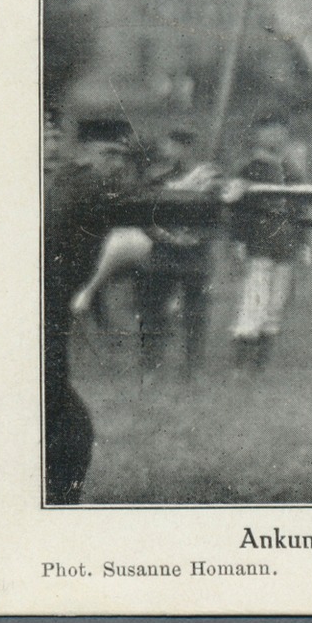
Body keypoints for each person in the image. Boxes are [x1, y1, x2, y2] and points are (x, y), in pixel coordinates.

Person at [46, 117, 138, 503]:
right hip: (37, 311)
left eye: (123, 156)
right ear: (84, 154)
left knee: (65, 416)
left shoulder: (81, 181)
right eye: (108, 154)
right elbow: (130, 203)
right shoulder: (77, 183)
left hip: (52, 310)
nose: (117, 164)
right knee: (67, 421)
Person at [226, 115, 309, 370]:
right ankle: (242, 362)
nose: (275, 136)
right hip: (258, 244)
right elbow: (235, 207)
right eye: (268, 131)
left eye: (280, 131)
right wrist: (238, 240)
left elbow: (300, 210)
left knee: (276, 303)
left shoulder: (292, 170)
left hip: (285, 245)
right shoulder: (247, 167)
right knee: (255, 298)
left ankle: (260, 364)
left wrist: (303, 244)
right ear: (258, 134)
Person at [134, 127, 216, 378]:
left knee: (195, 312)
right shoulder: (155, 177)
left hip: (195, 253)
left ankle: (192, 366)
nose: (171, 151)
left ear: (187, 148)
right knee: (154, 311)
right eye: (168, 145)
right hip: (163, 253)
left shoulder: (208, 177)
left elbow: (215, 215)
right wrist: (164, 236)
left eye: (178, 145)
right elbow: (144, 214)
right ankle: (150, 365)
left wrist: (197, 237)